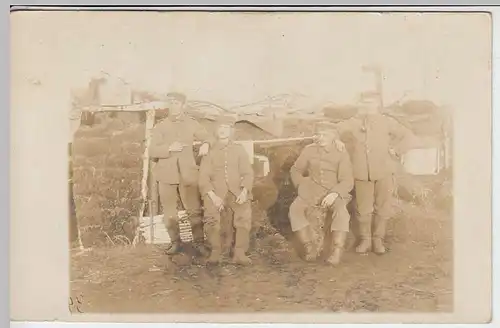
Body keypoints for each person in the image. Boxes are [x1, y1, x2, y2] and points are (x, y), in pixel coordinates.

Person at [333, 91, 414, 255]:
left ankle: (378, 240)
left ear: (377, 105)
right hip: (362, 172)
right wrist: (336, 140)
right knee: (363, 208)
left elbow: (408, 136)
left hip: (384, 171)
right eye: (364, 103)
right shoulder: (354, 122)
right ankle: (365, 240)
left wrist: (396, 150)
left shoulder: (387, 122)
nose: (367, 107)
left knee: (383, 207)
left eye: (371, 103)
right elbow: (334, 130)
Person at [149, 92, 213, 255]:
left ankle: (199, 243)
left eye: (177, 103)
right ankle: (175, 243)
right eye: (170, 103)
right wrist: (168, 148)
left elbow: (209, 136)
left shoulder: (191, 123)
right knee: (170, 213)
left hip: (188, 175)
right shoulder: (160, 126)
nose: (173, 106)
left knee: (194, 210)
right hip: (166, 175)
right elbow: (152, 150)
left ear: (183, 105)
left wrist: (206, 143)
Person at [288, 122, 354, 266]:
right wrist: (301, 186)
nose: (321, 137)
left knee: (341, 212)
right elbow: (296, 170)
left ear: (333, 137)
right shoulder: (309, 150)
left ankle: (337, 251)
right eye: (318, 134)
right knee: (295, 209)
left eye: (325, 134)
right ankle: (309, 246)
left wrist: (335, 193)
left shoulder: (341, 152)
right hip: (311, 189)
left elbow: (347, 180)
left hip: (333, 191)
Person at [199, 114, 254, 265]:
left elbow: (247, 173)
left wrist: (244, 191)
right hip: (215, 191)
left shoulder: (239, 149)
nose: (223, 131)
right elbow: (203, 177)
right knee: (211, 218)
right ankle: (215, 252)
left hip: (236, 191)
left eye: (226, 128)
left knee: (244, 215)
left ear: (231, 131)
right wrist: (212, 195)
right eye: (220, 128)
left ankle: (239, 252)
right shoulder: (209, 151)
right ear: (216, 130)